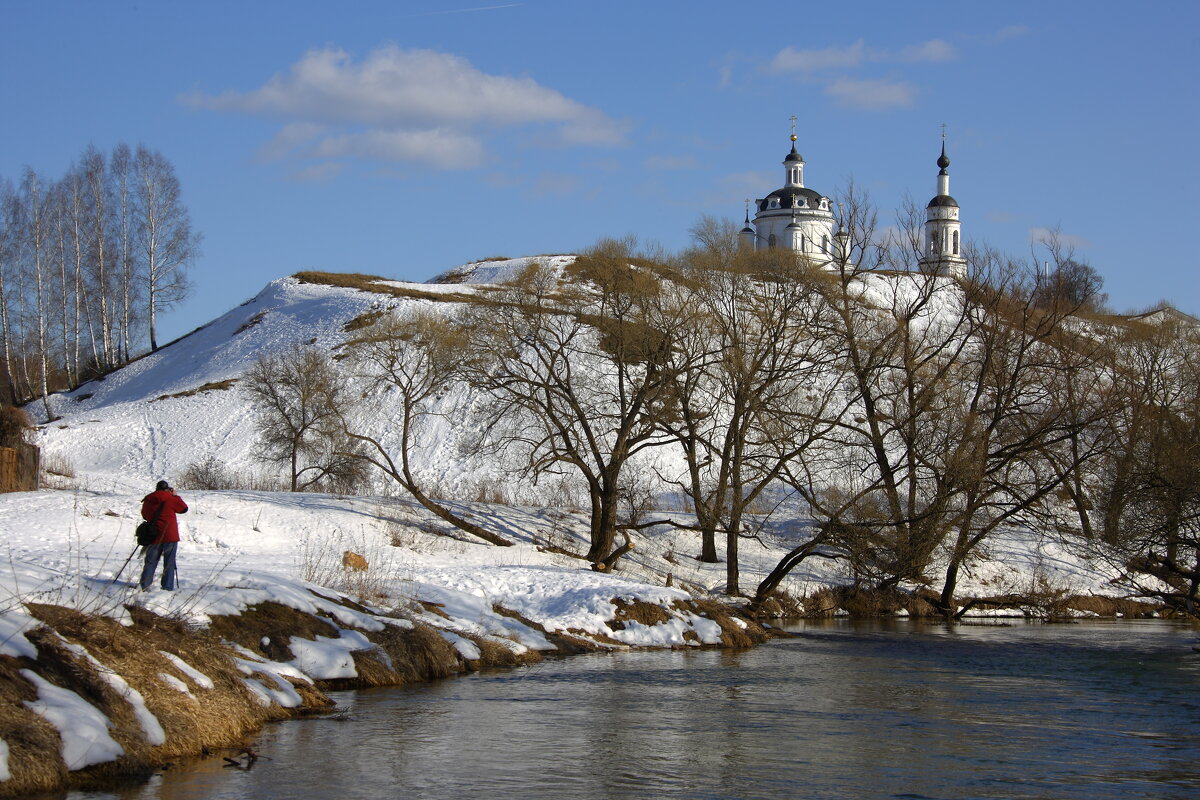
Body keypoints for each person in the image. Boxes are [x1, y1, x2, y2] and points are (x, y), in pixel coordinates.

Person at [140, 480, 188, 591]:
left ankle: (145, 585)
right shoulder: (170, 498)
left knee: (151, 561)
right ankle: (167, 587)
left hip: (154, 534)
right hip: (170, 535)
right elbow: (183, 509)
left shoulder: (149, 498)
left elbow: (145, 515)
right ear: (167, 489)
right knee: (169, 562)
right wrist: (175, 496)